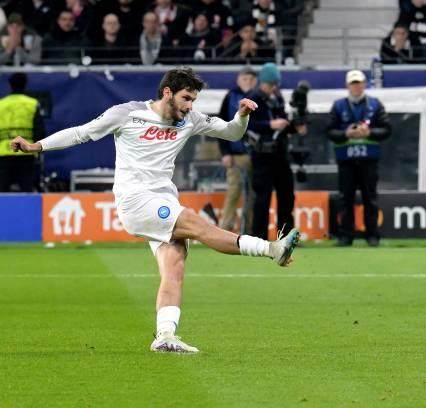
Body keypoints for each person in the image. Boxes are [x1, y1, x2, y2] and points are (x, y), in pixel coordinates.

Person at [10, 67, 300, 353]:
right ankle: (271, 249)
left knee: (175, 266)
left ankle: (165, 336)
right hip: (136, 200)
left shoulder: (191, 119)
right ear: (167, 93)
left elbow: (232, 133)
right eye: (186, 98)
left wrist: (242, 116)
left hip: (164, 200)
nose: (190, 106)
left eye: (193, 100)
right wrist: (37, 146)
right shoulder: (127, 113)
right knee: (198, 225)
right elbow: (81, 133)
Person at [326, 70, 391, 247]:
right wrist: (346, 134)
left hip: (368, 159)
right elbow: (329, 131)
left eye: (359, 83)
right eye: (353, 84)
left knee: (370, 198)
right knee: (345, 197)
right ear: (347, 86)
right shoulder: (338, 105)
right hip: (346, 159)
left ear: (364, 84)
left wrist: (369, 132)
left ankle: (372, 235)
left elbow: (387, 129)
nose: (356, 87)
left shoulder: (375, 105)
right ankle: (346, 236)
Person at [247, 62, 306, 239]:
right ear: (262, 82)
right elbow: (247, 124)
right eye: (270, 84)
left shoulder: (277, 99)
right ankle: (259, 238)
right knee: (262, 198)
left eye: (275, 84)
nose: (273, 88)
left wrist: (294, 127)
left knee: (287, 196)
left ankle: (286, 237)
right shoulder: (253, 99)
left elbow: (283, 123)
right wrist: (270, 124)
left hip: (280, 154)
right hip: (261, 155)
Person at [218, 66, 257, 233]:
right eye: (244, 79)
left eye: (251, 79)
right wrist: (225, 152)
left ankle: (249, 231)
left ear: (255, 81)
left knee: (253, 195)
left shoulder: (259, 96)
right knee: (233, 193)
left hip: (256, 155)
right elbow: (221, 125)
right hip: (236, 154)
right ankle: (224, 230)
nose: (248, 82)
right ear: (238, 80)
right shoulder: (230, 96)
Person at [0, 73, 45, 192]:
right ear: (25, 84)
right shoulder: (32, 103)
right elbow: (39, 131)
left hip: (3, 154)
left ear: (10, 85)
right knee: (27, 190)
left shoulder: (1, 104)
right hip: (26, 152)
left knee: (2, 193)